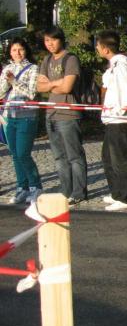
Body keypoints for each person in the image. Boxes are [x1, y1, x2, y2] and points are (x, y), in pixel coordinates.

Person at [36, 26, 89, 205]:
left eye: (53, 39)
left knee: (74, 156)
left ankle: (79, 192)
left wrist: (50, 85)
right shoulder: (47, 60)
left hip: (68, 113)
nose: (50, 44)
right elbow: (39, 87)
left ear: (61, 40)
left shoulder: (70, 59)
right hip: (51, 113)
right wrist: (55, 83)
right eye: (46, 40)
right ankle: (65, 191)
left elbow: (67, 87)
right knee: (59, 157)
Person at [95, 30, 127, 211]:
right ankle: (116, 192)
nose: (97, 48)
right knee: (108, 157)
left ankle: (125, 197)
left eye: (98, 45)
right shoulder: (113, 64)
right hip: (111, 118)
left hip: (120, 118)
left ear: (105, 48)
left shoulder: (121, 64)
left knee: (119, 157)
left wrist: (120, 109)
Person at [0, 37, 43, 204]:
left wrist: (14, 81)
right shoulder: (7, 68)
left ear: (26, 50)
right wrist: (6, 82)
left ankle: (35, 186)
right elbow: (1, 92)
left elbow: (31, 93)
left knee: (23, 153)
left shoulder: (33, 68)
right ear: (9, 52)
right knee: (14, 154)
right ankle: (22, 187)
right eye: (14, 50)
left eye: (20, 49)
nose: (17, 53)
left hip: (27, 116)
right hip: (9, 116)